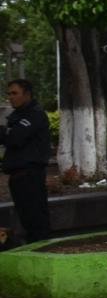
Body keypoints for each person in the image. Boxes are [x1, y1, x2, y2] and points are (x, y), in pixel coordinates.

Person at [1, 79, 52, 245]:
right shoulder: (17, 116)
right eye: (9, 93)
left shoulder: (35, 114)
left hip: (30, 176)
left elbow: (15, 138)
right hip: (18, 177)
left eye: (14, 93)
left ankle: (43, 252)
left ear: (27, 94)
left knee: (36, 221)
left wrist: (3, 132)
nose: (10, 97)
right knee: (27, 221)